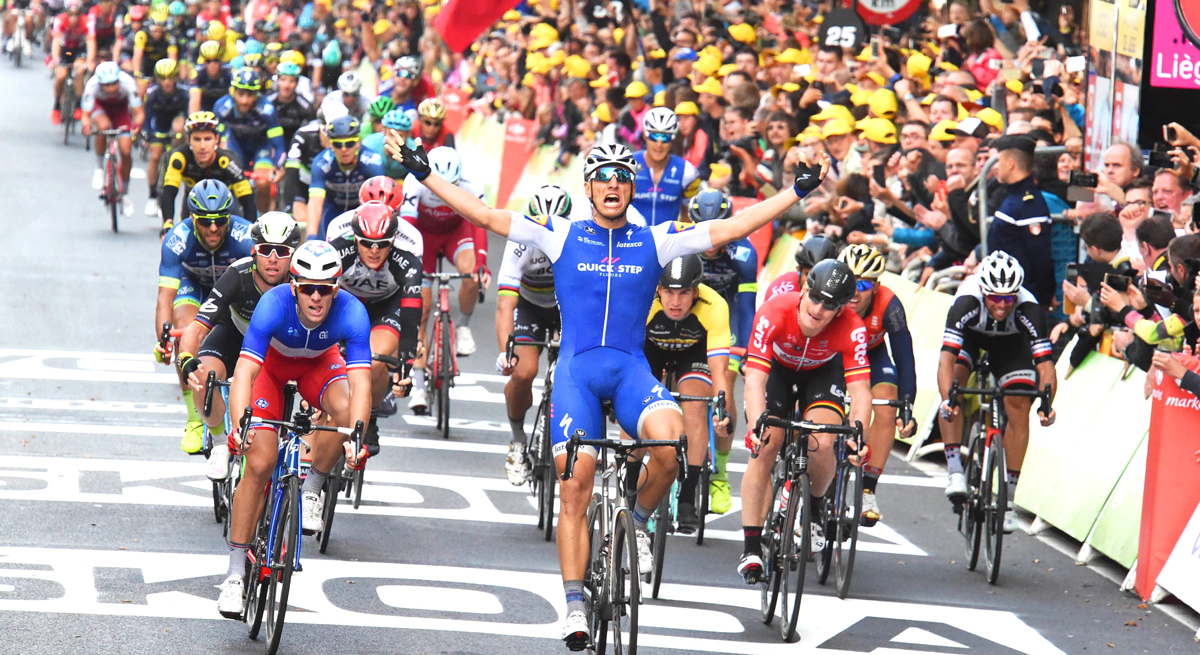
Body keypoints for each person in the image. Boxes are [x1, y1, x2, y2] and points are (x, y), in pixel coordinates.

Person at [386, 135, 830, 650]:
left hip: (630, 373)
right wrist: (423, 173)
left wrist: (793, 192)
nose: (613, 184)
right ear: (590, 187)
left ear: (632, 188)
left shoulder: (657, 239)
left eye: (623, 176)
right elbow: (486, 216)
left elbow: (731, 228)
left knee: (670, 446)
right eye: (604, 177)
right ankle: (574, 603)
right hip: (576, 374)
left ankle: (636, 523)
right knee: (576, 483)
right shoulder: (560, 234)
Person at [215, 240, 372, 619]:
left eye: (325, 289)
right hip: (271, 369)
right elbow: (244, 373)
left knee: (345, 412)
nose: (316, 297)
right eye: (308, 288)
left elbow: (362, 384)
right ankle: (235, 575)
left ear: (337, 288)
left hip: (319, 367)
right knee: (259, 462)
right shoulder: (273, 304)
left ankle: (312, 489)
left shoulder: (353, 312)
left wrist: (356, 438)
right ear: (294, 286)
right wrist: (239, 426)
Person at [736, 259, 873, 583]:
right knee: (767, 444)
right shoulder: (774, 311)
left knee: (822, 441)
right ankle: (752, 547)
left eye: (830, 304)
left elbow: (861, 391)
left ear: (840, 310)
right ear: (803, 291)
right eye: (815, 297)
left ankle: (814, 507)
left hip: (821, 374)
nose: (819, 309)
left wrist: (858, 436)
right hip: (778, 373)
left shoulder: (852, 327)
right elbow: (754, 380)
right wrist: (756, 427)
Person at [176, 211, 301, 479]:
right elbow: (197, 327)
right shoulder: (238, 273)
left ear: (293, 254)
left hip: (278, 346)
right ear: (254, 250)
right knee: (204, 375)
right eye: (266, 250)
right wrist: (185, 357)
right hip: (235, 333)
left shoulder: (301, 282)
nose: (273, 259)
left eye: (282, 251)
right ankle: (220, 443)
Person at [938, 251, 1057, 533]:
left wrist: (1047, 403)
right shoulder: (966, 300)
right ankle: (955, 470)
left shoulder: (1029, 309)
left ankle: (1008, 499)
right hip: (971, 338)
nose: (1002, 305)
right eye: (994, 298)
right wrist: (947, 399)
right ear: (982, 290)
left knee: (1019, 405)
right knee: (954, 384)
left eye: (1008, 298)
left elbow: (1046, 366)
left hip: (1011, 346)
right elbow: (946, 359)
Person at [155, 180, 254, 454]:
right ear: (191, 217)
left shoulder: (245, 236)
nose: (213, 228)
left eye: (221, 220)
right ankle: (194, 419)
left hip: (233, 291)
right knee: (184, 331)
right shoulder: (178, 238)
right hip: (194, 285)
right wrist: (163, 339)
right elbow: (165, 296)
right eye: (206, 221)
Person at [643, 254, 733, 533]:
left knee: (695, 404)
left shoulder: (714, 305)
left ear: (696, 290)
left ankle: (686, 495)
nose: (675, 301)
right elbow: (623, 353)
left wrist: (722, 409)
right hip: (651, 348)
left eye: (684, 293)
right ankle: (632, 480)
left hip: (693, 353)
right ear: (658, 289)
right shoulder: (642, 298)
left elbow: (720, 371)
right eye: (668, 292)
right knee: (637, 401)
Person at [328, 201, 423, 456]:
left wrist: (405, 364)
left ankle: (370, 417)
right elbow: (318, 298)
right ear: (354, 238)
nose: (373, 250)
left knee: (375, 359)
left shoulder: (408, 255)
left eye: (382, 244)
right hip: (347, 301)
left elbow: (412, 313)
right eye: (366, 243)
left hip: (387, 305)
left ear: (392, 242)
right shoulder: (337, 247)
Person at [836, 245, 918, 525]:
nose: (855, 292)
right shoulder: (830, 296)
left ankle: (868, 488)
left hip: (872, 355)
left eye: (864, 284)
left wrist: (907, 407)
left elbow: (905, 358)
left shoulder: (889, 304)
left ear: (876, 286)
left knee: (886, 404)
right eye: (851, 282)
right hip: (832, 354)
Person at [399, 146, 488, 404]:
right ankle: (417, 384)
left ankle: (462, 325)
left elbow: (480, 221)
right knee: (422, 309)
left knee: (472, 274)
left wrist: (482, 262)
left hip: (455, 233)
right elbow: (407, 228)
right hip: (422, 239)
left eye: (453, 185)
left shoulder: (473, 182)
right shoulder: (414, 180)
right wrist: (410, 267)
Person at [496, 185, 571, 485]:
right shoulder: (519, 245)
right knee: (523, 371)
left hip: (568, 307)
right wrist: (506, 353)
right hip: (530, 307)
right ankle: (517, 441)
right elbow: (505, 305)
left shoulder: (578, 238)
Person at [159, 111, 256, 231]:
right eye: (197, 139)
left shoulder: (228, 162)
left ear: (216, 139)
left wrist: (250, 231)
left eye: (208, 139)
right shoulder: (180, 158)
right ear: (189, 139)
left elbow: (248, 201)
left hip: (226, 209)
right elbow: (169, 192)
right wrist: (167, 224)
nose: (203, 146)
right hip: (192, 208)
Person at [989, 134, 1054, 307]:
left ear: (1010, 163)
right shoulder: (1012, 197)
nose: (996, 168)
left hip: (1022, 297)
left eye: (999, 161)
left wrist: (1043, 297)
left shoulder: (1028, 203)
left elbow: (1040, 257)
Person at [214, 67, 286, 214]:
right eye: (240, 94)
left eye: (250, 95)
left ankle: (262, 218)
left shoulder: (267, 109)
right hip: (235, 146)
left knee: (262, 183)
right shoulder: (222, 107)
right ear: (233, 91)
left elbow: (279, 144)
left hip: (260, 148)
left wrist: (277, 166)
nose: (245, 101)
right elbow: (215, 141)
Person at [306, 114, 386, 240]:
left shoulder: (372, 161)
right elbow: (315, 204)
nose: (344, 149)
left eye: (349, 144)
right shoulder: (321, 163)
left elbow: (381, 202)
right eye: (338, 144)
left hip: (362, 212)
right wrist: (311, 237)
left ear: (358, 143)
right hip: (332, 211)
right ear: (331, 145)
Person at [81, 61, 143, 216]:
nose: (111, 88)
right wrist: (87, 127)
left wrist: (136, 125)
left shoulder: (128, 82)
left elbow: (138, 111)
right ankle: (99, 168)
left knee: (126, 150)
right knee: (103, 127)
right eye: (107, 85)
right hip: (100, 109)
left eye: (114, 84)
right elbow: (86, 115)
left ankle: (125, 193)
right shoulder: (92, 85)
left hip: (121, 111)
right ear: (100, 83)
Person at [632, 106, 700, 225]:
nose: (659, 145)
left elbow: (688, 216)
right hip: (632, 240)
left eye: (665, 137)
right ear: (645, 136)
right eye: (653, 136)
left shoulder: (687, 172)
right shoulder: (627, 165)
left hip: (668, 241)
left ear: (672, 138)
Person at [141, 58, 189, 217]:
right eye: (163, 78)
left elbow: (189, 114)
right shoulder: (152, 93)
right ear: (158, 79)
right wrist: (146, 134)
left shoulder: (184, 92)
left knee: (179, 128)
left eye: (171, 77)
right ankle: (152, 195)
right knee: (155, 156)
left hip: (176, 123)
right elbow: (147, 117)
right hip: (159, 124)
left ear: (176, 77)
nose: (167, 82)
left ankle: (177, 151)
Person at [761, 235, 839, 303]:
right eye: (807, 274)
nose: (813, 283)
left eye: (820, 277)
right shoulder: (781, 291)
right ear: (798, 269)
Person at [50, 0, 89, 126]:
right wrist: (55, 59)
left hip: (79, 50)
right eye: (70, 15)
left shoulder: (87, 21)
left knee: (79, 71)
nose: (73, 18)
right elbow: (56, 41)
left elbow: (91, 42)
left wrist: (89, 61)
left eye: (76, 14)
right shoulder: (60, 19)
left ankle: (78, 104)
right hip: (64, 50)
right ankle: (56, 106)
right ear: (66, 13)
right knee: (61, 75)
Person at [269, 61, 316, 147]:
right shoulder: (268, 101)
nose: (286, 85)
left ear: (297, 83)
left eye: (292, 81)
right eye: (283, 80)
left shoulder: (305, 106)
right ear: (277, 81)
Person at [130, 14, 178, 98]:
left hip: (162, 65)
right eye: (155, 31)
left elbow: (172, 59)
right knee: (141, 89)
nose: (158, 34)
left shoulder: (170, 37)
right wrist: (137, 74)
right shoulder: (142, 34)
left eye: (161, 31)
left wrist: (170, 76)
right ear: (150, 28)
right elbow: (137, 56)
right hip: (146, 64)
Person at [188, 40, 231, 113]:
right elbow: (195, 100)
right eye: (208, 61)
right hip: (204, 107)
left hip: (225, 108)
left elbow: (234, 98)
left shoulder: (229, 71)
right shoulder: (197, 72)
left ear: (221, 60)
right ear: (204, 62)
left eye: (216, 60)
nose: (212, 65)